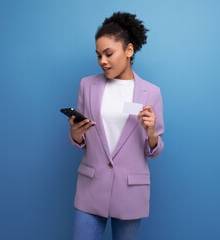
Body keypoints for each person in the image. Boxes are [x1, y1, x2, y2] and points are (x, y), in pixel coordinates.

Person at [68, 12, 164, 240]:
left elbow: (155, 150)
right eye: (99, 55)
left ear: (129, 50)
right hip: (91, 186)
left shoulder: (151, 92)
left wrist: (151, 132)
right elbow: (80, 141)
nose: (103, 61)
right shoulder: (87, 86)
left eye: (109, 53)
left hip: (130, 190)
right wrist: (75, 134)